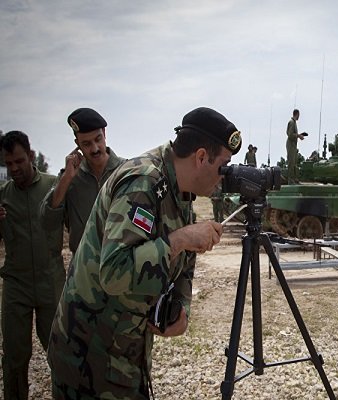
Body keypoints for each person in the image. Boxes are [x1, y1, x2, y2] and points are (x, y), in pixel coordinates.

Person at [47, 107, 242, 398]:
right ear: (201, 157)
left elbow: (184, 262)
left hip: (125, 355)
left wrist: (183, 308)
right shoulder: (143, 182)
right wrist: (180, 239)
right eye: (223, 166)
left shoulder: (180, 191)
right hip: (88, 360)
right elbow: (113, 272)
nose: (224, 177)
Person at [0, 131, 65, 400]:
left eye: (19, 161)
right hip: (16, 285)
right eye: (8, 164)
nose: (14, 169)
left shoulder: (55, 186)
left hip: (51, 282)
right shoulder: (2, 195)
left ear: (30, 155)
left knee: (60, 352)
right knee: (15, 356)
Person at [40, 107, 125, 254]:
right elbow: (47, 222)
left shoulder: (126, 171)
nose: (94, 149)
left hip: (120, 264)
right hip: (83, 267)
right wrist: (67, 178)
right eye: (86, 144)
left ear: (104, 134)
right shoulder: (69, 177)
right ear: (77, 144)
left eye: (98, 139)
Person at [286, 109, 306, 184]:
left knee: (294, 162)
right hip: (291, 144)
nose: (299, 117)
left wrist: (299, 135)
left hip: (293, 144)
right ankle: (290, 180)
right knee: (291, 162)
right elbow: (290, 134)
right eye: (298, 115)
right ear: (296, 114)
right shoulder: (291, 122)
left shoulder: (294, 123)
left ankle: (294, 178)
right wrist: (298, 136)